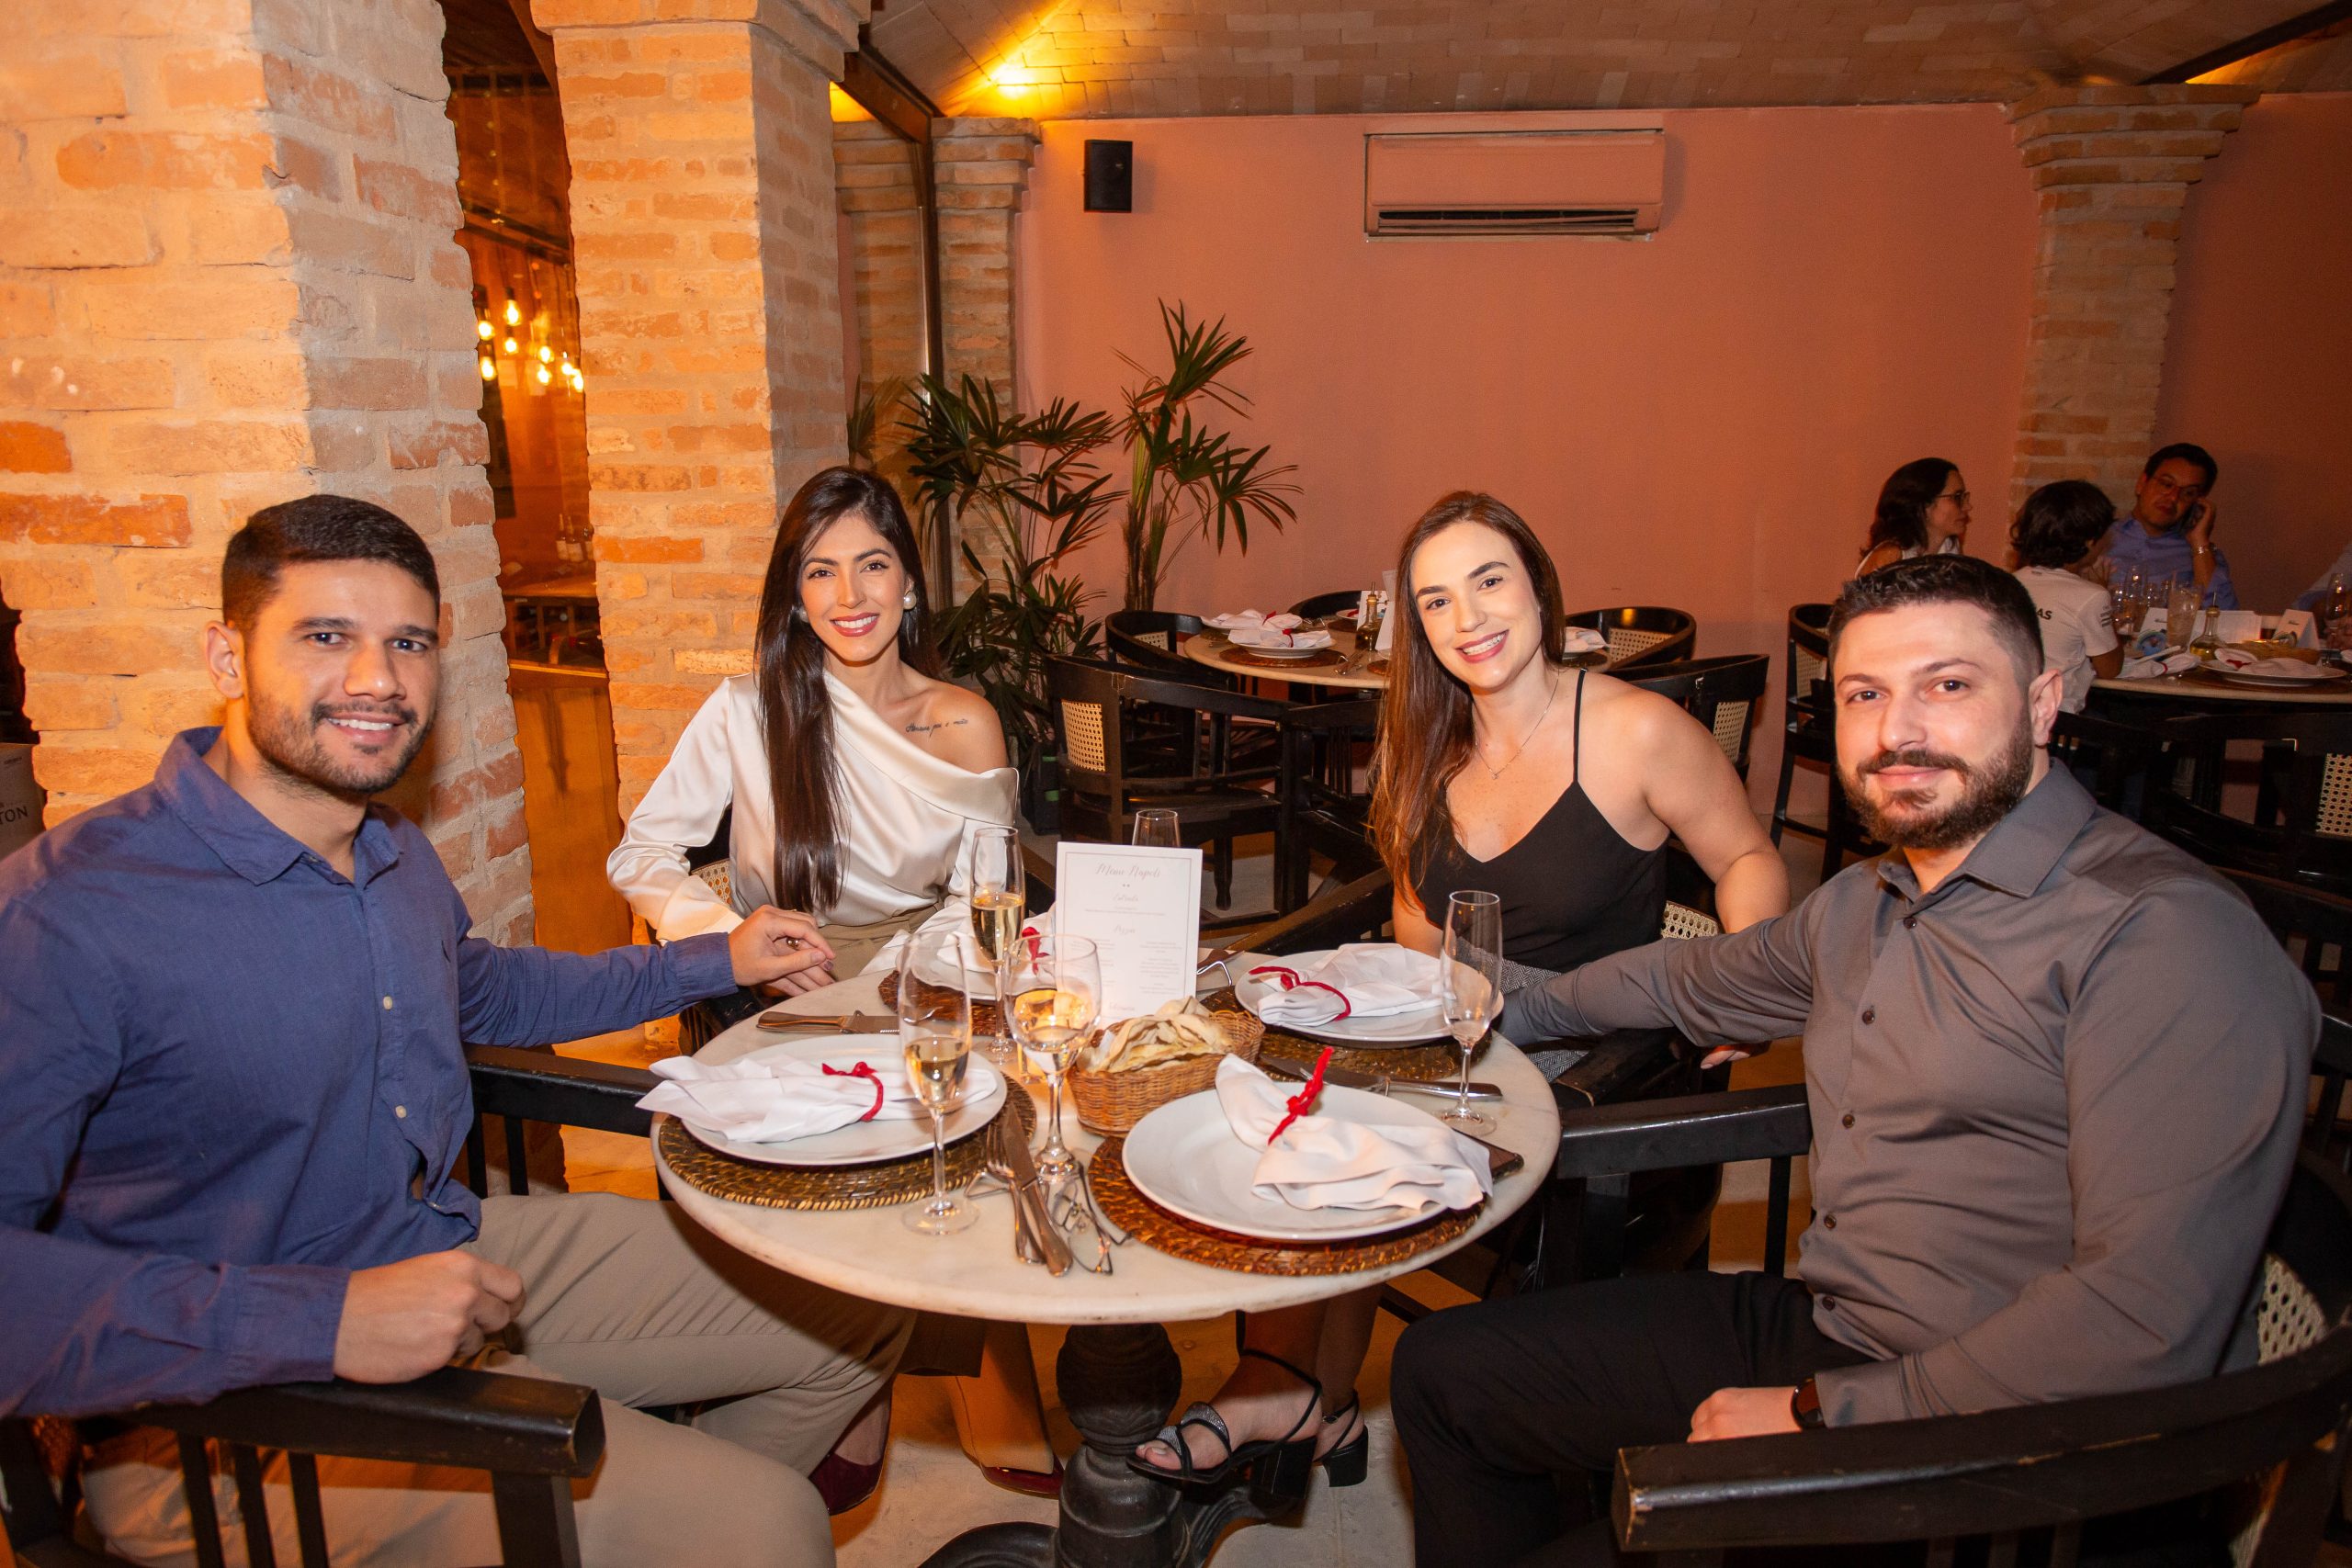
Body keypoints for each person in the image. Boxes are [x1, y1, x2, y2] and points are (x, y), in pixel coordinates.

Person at [0, 496, 911, 1567]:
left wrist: (718, 959)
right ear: (225, 656)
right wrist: (321, 1322)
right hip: (217, 1423)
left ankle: (645, 1506)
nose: (378, 679)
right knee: (768, 1526)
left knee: (856, 1296)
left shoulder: (389, 852)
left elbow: (487, 995)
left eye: (409, 643)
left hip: (437, 1250)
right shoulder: (74, 914)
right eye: (325, 635)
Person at [1390, 554, 2317, 1568]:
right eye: (1864, 694)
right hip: (1843, 1332)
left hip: (2029, 1456)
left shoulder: (2163, 936)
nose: (1897, 731)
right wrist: (1492, 1014)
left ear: (2043, 703)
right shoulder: (1869, 900)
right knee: (1443, 1372)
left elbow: (2140, 1322)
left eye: (1948, 685)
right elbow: (1683, 979)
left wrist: (1818, 1415)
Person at [1128, 491, 1790, 1498]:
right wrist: (1399, 1004)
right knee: (1277, 1096)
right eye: (1436, 601)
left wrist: (1744, 974)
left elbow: (1746, 855)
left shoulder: (1634, 730)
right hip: (1450, 1029)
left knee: (1342, 1127)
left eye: (1489, 582)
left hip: (1587, 1051)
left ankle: (1288, 1392)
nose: (1467, 618)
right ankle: (1299, 1389)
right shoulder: (1423, 742)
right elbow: (1411, 917)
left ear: (1540, 590)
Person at [608, 465, 1015, 1038]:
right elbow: (641, 854)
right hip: (777, 993)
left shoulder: (965, 722)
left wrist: (887, 981)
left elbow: (983, 898)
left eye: (873, 565)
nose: (850, 596)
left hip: (925, 977)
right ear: (798, 598)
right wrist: (731, 944)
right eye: (822, 571)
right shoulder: (745, 711)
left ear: (907, 581)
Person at [2009, 479, 2123, 711]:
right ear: (2090, 542)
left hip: (2009, 713)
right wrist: (2104, 600)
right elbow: (2111, 669)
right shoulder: (2092, 596)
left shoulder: (2008, 582)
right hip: (2056, 721)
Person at [2095, 442, 2236, 609]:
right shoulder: (2096, 538)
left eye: (2188, 493)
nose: (2173, 497)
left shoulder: (2201, 556)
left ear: (2197, 502)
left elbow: (2221, 614)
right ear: (2142, 483)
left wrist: (2199, 543)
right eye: (2166, 484)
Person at [1855, 457, 1971, 577]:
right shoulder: (1890, 556)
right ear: (1924, 504)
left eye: (1965, 497)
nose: (1968, 506)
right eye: (1957, 497)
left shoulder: (1949, 548)